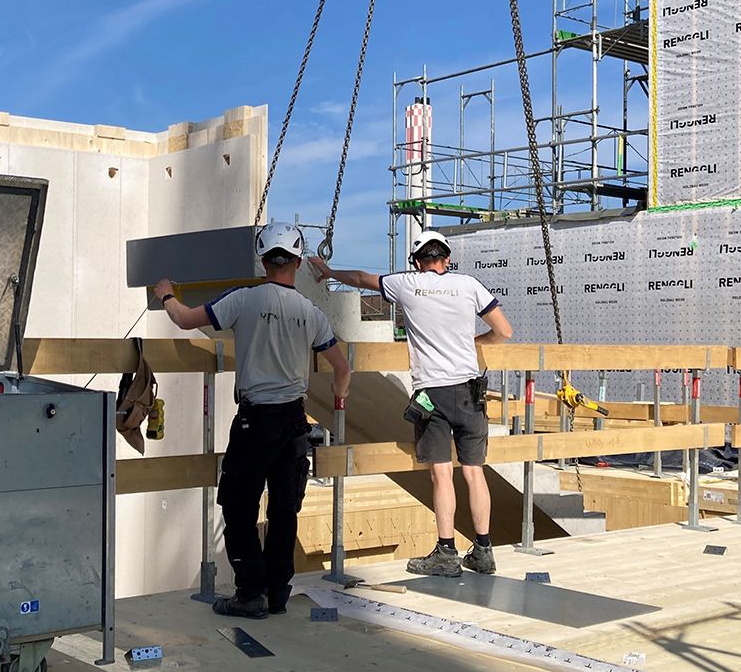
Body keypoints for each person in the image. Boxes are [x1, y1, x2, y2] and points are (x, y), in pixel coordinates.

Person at [153, 222, 351, 620]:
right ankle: (277, 592)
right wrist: (339, 399)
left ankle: (250, 593)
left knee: (239, 505)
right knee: (283, 509)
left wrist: (166, 295)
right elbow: (341, 367)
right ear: (296, 261)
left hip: (255, 420)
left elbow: (186, 319)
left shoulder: (243, 300)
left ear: (263, 260)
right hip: (295, 420)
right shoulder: (310, 313)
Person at [308, 227, 511, 578]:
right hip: (470, 391)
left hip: (433, 393)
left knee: (442, 474)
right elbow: (504, 332)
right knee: (475, 473)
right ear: (447, 259)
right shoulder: (469, 285)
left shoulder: (408, 283)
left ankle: (446, 553)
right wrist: (475, 342)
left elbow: (360, 278)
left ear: (417, 262)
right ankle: (483, 551)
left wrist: (328, 272)